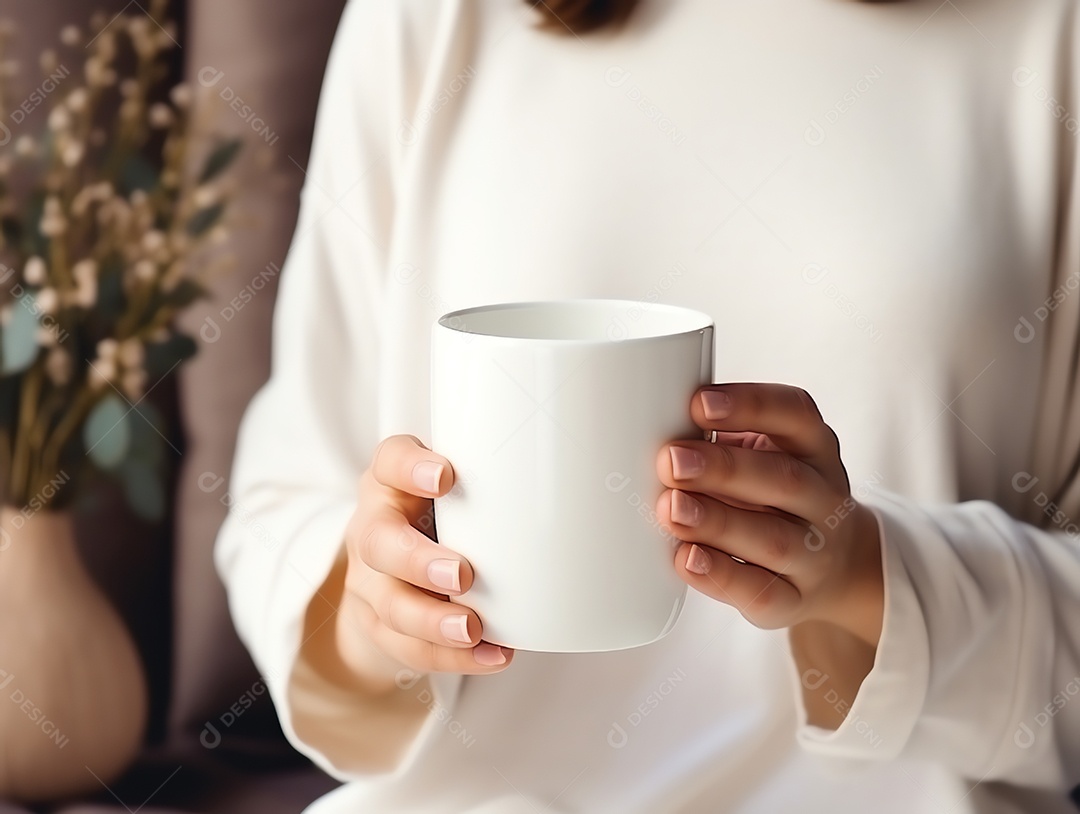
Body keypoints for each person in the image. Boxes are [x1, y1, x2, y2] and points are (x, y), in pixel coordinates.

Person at [214, 0, 1080, 811]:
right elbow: (285, 500)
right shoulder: (434, 17)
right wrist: (374, 615)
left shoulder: (1050, 33)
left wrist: (868, 579)